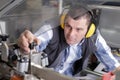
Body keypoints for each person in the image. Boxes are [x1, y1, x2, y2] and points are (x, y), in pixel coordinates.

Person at [17, 4, 120, 77]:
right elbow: (31, 46)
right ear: (63, 23)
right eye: (68, 26)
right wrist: (26, 46)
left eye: (78, 29)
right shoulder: (50, 30)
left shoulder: (94, 37)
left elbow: (113, 64)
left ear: (89, 31)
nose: (71, 34)